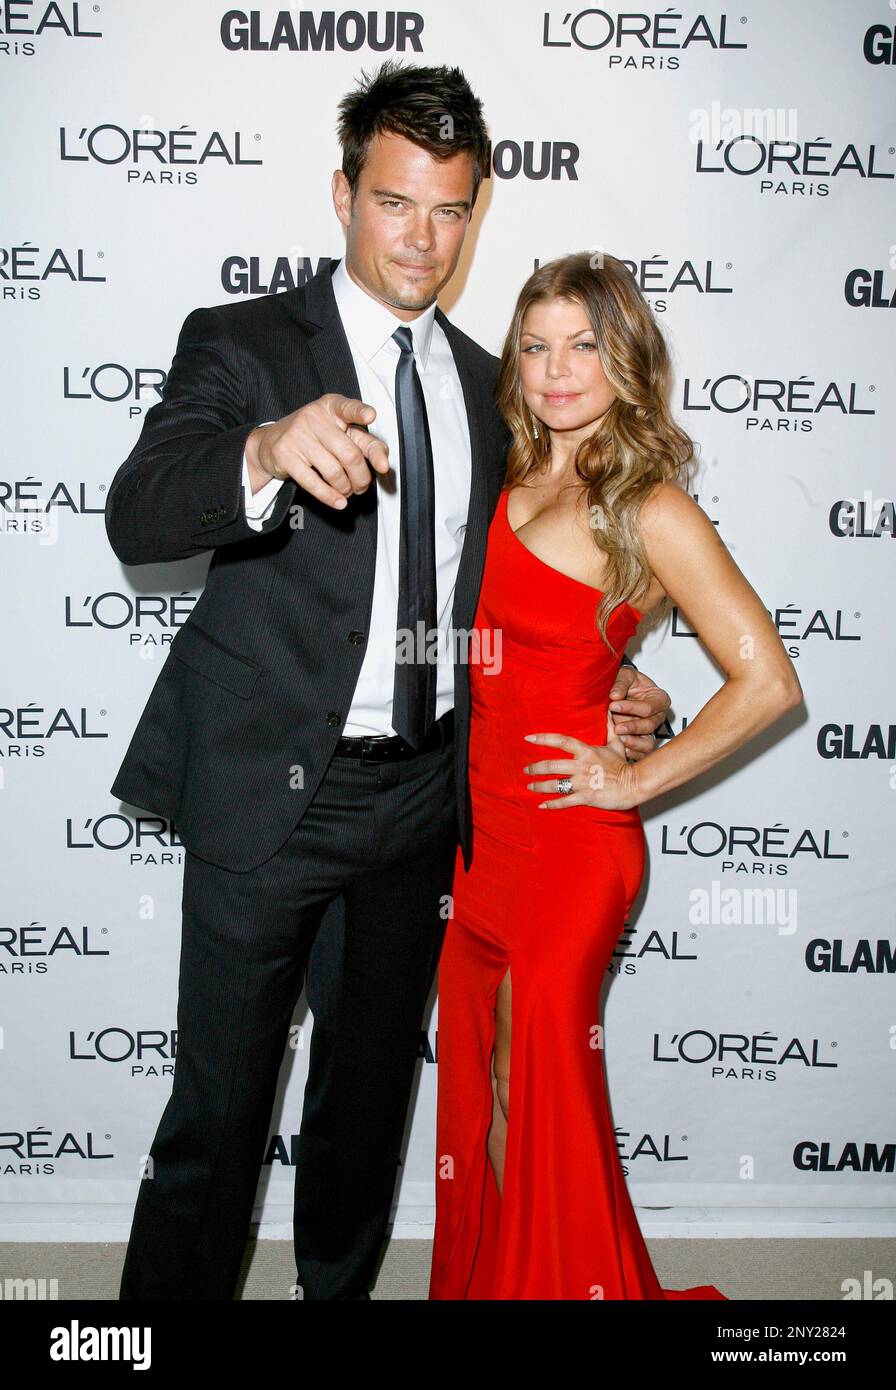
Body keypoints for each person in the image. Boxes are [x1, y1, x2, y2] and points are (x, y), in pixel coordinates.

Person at [105, 64, 672, 1300]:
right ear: (342, 195)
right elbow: (138, 514)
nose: (422, 237)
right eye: (394, 202)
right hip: (268, 799)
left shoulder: (489, 385)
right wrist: (257, 449)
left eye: (450, 209)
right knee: (216, 1120)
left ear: (475, 215)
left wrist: (618, 691)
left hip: (422, 805)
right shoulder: (243, 343)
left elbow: (521, 591)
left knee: (363, 1124)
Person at [428, 251, 804, 1301]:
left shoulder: (647, 507)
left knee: (528, 1082)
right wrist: (631, 687)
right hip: (477, 837)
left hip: (567, 844)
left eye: (582, 346)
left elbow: (766, 679)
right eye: (536, 346)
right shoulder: (504, 469)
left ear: (623, 358)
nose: (555, 371)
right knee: (480, 1096)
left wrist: (634, 778)